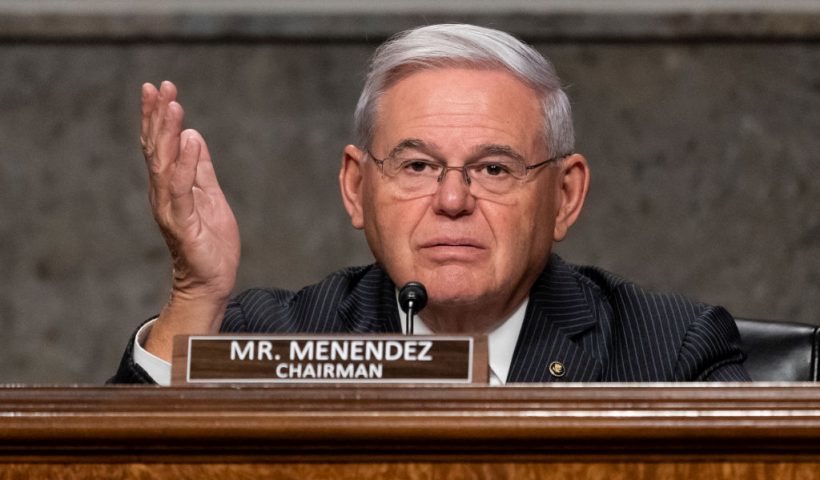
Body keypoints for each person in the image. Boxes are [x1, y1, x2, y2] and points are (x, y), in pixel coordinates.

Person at [111, 24, 750, 385]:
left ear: (565, 195)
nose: (451, 200)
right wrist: (196, 293)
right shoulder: (268, 336)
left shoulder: (672, 354)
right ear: (357, 188)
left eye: (494, 169)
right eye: (417, 166)